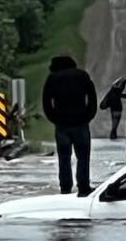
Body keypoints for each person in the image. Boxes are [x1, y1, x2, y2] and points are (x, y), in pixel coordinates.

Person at [42, 54, 98, 195]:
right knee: (83, 157)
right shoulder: (82, 76)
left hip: (62, 124)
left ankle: (65, 187)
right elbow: (92, 97)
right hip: (81, 122)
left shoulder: (52, 79)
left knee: (64, 157)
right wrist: (88, 116)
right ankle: (83, 186)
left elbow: (46, 102)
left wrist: (54, 118)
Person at [100, 76, 126, 140]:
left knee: (114, 122)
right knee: (116, 123)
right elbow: (123, 95)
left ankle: (113, 134)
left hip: (113, 109)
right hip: (118, 109)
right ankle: (113, 134)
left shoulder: (111, 91)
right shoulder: (118, 92)